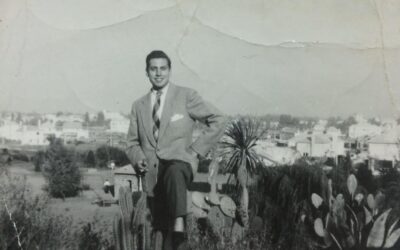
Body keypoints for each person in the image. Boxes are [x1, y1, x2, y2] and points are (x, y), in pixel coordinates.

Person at [126, 50, 226, 250]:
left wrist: (197, 150)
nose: (158, 73)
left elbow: (219, 119)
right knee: (160, 236)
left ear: (170, 71)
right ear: (147, 72)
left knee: (174, 170)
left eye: (163, 68)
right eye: (153, 69)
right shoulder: (138, 106)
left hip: (181, 165)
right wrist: (138, 159)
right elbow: (131, 143)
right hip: (153, 176)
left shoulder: (186, 96)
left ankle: (180, 226)